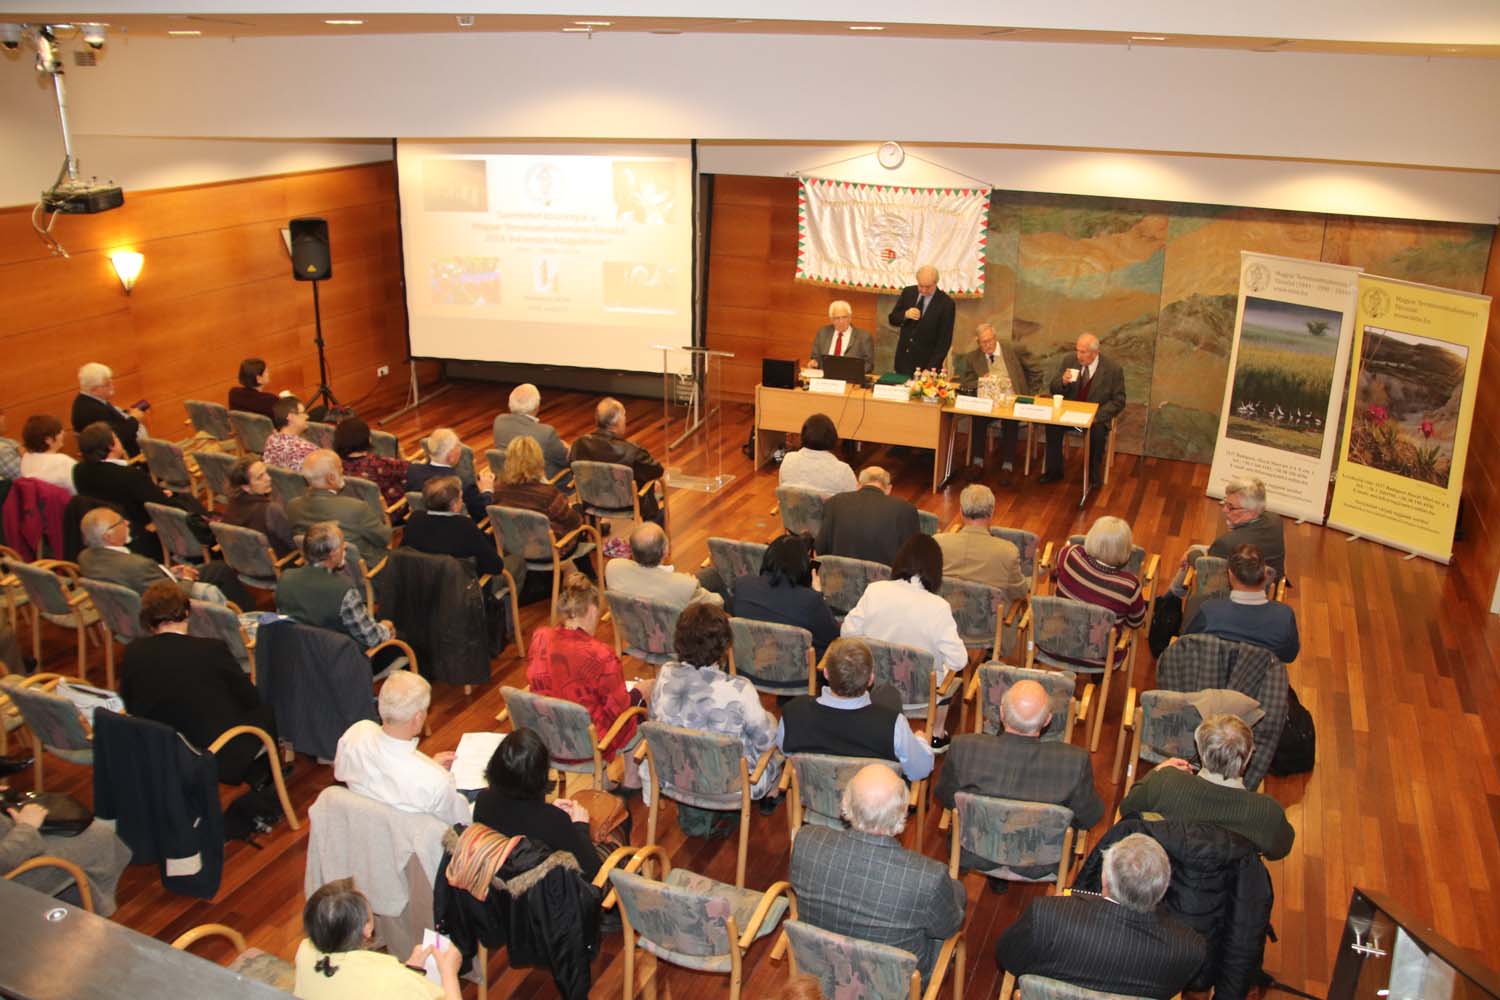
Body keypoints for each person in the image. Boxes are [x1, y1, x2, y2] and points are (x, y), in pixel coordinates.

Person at [790, 764, 965, 985]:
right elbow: (948, 927)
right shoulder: (929, 877)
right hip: (894, 984)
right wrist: (954, 890)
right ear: (903, 811)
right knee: (956, 894)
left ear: (845, 803)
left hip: (820, 965)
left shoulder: (806, 841)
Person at [934, 679, 1103, 888]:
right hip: (1041, 863)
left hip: (974, 852)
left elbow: (946, 797)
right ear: (1047, 720)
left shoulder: (964, 748)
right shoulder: (1074, 762)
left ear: (1002, 713)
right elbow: (1088, 817)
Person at [995, 833, 1206, 999]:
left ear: (1105, 877)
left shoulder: (1047, 915)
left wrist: (1059, 907)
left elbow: (1008, 958)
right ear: (1163, 888)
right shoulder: (1189, 949)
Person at [119, 581, 279, 787]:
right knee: (265, 710)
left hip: (165, 747)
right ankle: (268, 781)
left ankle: (257, 775)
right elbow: (250, 698)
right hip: (215, 749)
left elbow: (130, 703)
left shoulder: (133, 652)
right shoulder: (210, 649)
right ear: (186, 612)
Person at [525, 572, 649, 788]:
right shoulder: (601, 654)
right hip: (589, 745)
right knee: (639, 704)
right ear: (591, 609)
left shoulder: (540, 638)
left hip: (548, 736)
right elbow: (619, 710)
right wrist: (641, 691)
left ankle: (606, 782)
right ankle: (632, 781)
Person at [646, 602, 781, 800]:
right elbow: (766, 742)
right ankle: (773, 796)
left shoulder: (665, 673)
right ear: (725, 645)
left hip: (677, 776)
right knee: (772, 731)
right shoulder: (740, 689)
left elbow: (653, 717)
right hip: (734, 787)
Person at [841, 533, 966, 746]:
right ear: (936, 569)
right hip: (920, 697)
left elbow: (847, 633)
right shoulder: (938, 607)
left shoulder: (875, 590)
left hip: (873, 688)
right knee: (946, 674)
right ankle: (936, 734)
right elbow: (959, 661)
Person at [1119, 713, 1295, 860]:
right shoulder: (1267, 813)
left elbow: (1127, 808)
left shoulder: (1165, 782)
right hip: (1226, 889)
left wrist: (1158, 770)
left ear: (1200, 750)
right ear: (1248, 757)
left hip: (1167, 876)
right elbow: (1280, 850)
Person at [777, 637, 933, 782]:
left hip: (814, 796)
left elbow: (787, 752)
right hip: (874, 799)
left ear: (826, 673)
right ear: (871, 679)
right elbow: (920, 770)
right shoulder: (892, 725)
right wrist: (920, 739)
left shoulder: (793, 713)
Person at [332, 671, 470, 826]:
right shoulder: (437, 782)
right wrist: (432, 770)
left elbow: (342, 772)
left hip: (368, 824)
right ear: (418, 718)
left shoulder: (356, 733)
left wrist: (430, 766)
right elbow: (461, 823)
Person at [295, 877, 461, 1000]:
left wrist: (410, 971)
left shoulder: (304, 951)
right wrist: (449, 974)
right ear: (366, 929)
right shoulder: (393, 980)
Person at [473, 727, 606, 879]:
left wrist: (549, 810)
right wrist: (580, 827)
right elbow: (593, 872)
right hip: (550, 889)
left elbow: (521, 821)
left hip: (502, 883)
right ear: (540, 774)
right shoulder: (554, 821)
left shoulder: (483, 801)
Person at [73, 421, 212, 560]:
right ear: (111, 446)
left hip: (107, 533)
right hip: (143, 536)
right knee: (185, 501)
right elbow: (163, 504)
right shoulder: (129, 475)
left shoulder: (79, 472)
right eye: (116, 437)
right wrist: (171, 496)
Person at [0, 794, 132, 918]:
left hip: (11, 836)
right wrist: (27, 827)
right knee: (99, 836)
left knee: (88, 830)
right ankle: (95, 913)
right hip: (11, 874)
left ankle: (73, 904)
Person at [276, 521, 396, 654]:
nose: (345, 549)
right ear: (333, 554)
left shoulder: (284, 579)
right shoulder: (345, 590)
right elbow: (372, 638)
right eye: (343, 545)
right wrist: (386, 626)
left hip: (300, 654)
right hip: (340, 658)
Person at [77, 506, 235, 605]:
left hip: (131, 605)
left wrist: (167, 572)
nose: (127, 523)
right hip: (163, 607)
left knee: (217, 569)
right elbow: (172, 596)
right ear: (108, 537)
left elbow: (138, 579)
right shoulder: (136, 565)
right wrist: (187, 578)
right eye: (120, 522)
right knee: (220, 572)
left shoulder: (85, 558)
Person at [1045, 515, 1145, 667]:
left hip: (1053, 645)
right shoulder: (1129, 585)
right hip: (1100, 659)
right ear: (1126, 550)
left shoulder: (1069, 554)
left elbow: (1055, 571)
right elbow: (1136, 622)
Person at [728, 532, 839, 664]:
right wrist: (820, 595)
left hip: (748, 667)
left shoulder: (742, 585)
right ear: (803, 565)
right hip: (800, 675)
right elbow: (833, 637)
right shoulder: (811, 600)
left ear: (768, 557)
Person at [1182, 544, 1299, 663]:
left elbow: (1187, 644)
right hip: (1259, 674)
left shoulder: (1208, 610)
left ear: (1230, 574)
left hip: (1211, 672)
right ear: (1265, 573)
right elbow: (1289, 656)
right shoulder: (1284, 616)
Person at [1039, 333, 1126, 486]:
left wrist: (1096, 415)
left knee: (1097, 432)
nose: (1078, 355)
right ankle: (1054, 471)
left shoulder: (1113, 369)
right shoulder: (1070, 360)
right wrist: (1063, 382)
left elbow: (1119, 401)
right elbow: (1054, 389)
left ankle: (1093, 475)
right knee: (1052, 425)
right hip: (1069, 414)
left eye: (1083, 352)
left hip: (1096, 417)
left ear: (1095, 353)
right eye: (1077, 350)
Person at [286, 450, 393, 567]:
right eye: (340, 469)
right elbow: (384, 538)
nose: (343, 472)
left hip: (319, 569)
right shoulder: (356, 508)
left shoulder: (292, 507)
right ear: (331, 478)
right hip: (366, 569)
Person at [568, 397, 664, 523]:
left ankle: (593, 531)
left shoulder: (579, 445)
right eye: (624, 416)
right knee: (651, 491)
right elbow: (657, 470)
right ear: (617, 422)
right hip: (628, 504)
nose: (625, 420)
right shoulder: (632, 452)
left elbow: (574, 469)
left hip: (593, 501)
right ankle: (652, 532)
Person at [492, 435, 583, 557]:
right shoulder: (548, 494)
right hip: (551, 551)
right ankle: (588, 567)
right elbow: (574, 522)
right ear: (539, 461)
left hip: (516, 547)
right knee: (578, 511)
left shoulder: (498, 489)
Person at [934, 484, 1028, 601]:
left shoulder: (937, 544)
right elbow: (1020, 592)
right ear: (992, 513)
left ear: (961, 512)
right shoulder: (1008, 552)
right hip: (991, 613)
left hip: (945, 610)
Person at [956, 322, 1026, 478]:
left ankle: (1007, 466)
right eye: (983, 342)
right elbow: (965, 382)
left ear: (995, 338)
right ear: (978, 342)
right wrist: (981, 380)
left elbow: (1032, 371)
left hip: (1010, 399)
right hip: (988, 402)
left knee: (1010, 421)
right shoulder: (973, 357)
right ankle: (977, 463)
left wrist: (1031, 395)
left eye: (990, 341)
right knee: (978, 418)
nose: (987, 345)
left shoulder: (1011, 351)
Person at [815, 466, 919, 567]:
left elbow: (820, 548)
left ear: (858, 485)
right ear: (888, 489)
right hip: (884, 577)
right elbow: (911, 557)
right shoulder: (906, 509)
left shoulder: (834, 502)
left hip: (837, 574)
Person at [400, 475, 504, 576]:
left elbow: (403, 554)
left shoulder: (415, 518)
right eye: (460, 498)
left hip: (418, 581)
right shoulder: (464, 525)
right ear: (454, 505)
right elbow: (496, 567)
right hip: (458, 585)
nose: (462, 502)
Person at [605, 521, 722, 607]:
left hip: (634, 628)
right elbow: (718, 602)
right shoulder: (684, 586)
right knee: (717, 579)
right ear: (665, 550)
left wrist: (687, 583)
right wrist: (691, 585)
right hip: (676, 631)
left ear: (632, 551)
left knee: (710, 575)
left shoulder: (613, 568)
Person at [405, 427, 495, 524]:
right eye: (458, 446)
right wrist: (487, 490)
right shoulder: (461, 482)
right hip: (456, 528)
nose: (460, 449)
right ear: (450, 456)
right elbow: (481, 512)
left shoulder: (413, 470)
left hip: (423, 525)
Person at [220, 456, 296, 556]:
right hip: (280, 562)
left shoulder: (231, 506)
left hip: (246, 561)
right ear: (246, 487)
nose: (269, 478)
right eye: (260, 477)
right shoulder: (271, 510)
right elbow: (293, 543)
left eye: (266, 472)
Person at [887, 265, 956, 376]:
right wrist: (905, 314)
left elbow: (944, 341)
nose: (923, 290)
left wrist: (930, 368)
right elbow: (892, 319)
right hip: (903, 362)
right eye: (920, 286)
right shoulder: (908, 292)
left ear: (936, 283)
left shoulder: (946, 304)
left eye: (928, 287)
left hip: (926, 366)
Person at [492, 383, 569, 481]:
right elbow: (565, 460)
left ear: (509, 404)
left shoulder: (499, 421)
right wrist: (568, 449)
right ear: (537, 407)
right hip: (540, 482)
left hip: (507, 477)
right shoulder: (546, 433)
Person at [70, 362, 146, 459]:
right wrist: (134, 419)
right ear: (94, 389)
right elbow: (116, 438)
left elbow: (112, 422)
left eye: (111, 381)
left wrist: (127, 414)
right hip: (125, 459)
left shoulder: (86, 400)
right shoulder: (92, 410)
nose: (112, 386)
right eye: (107, 384)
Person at [334, 417, 409, 511]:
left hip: (361, 511)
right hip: (391, 510)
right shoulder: (378, 463)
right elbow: (409, 468)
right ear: (368, 439)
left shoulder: (336, 464)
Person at [778, 413, 857, 495]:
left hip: (792, 503)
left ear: (803, 436)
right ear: (833, 438)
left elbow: (783, 493)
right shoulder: (843, 470)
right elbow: (852, 500)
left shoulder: (788, 459)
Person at [809, 299, 874, 375]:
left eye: (844, 317)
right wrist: (814, 363)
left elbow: (869, 364)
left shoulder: (863, 337)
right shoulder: (823, 333)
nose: (841, 321)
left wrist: (853, 373)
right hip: (825, 377)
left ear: (850, 317)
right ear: (831, 320)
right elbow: (815, 357)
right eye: (837, 318)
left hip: (850, 378)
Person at [18, 414, 76, 495]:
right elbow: (78, 490)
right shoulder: (63, 462)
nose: (63, 433)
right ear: (48, 440)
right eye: (59, 431)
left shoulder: (26, 458)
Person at [262, 395, 318, 472]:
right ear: (291, 417)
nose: (307, 416)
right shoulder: (308, 450)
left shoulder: (271, 440)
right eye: (303, 413)